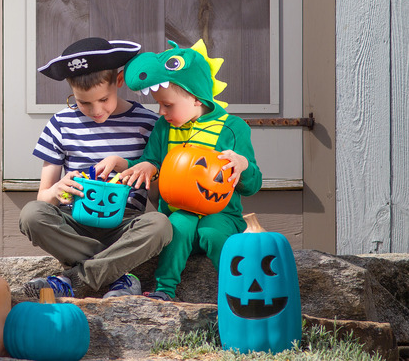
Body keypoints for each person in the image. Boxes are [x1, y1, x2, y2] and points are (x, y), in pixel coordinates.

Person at [99, 39, 262, 301]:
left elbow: (253, 185)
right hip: (179, 211)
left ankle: (238, 293)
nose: (161, 112)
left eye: (168, 105)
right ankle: (165, 290)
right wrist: (128, 165)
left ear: (196, 98)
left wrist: (242, 166)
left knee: (214, 233)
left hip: (221, 214)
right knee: (176, 226)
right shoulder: (164, 128)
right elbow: (152, 164)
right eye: (159, 105)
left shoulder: (232, 128)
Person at [19, 37, 173, 299]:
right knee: (31, 215)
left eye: (103, 99)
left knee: (161, 226)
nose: (96, 110)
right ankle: (117, 273)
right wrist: (58, 190)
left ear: (119, 81)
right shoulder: (61, 124)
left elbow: (160, 201)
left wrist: (150, 172)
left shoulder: (148, 124)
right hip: (74, 223)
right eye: (84, 102)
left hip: (125, 226)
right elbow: (42, 198)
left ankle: (73, 280)